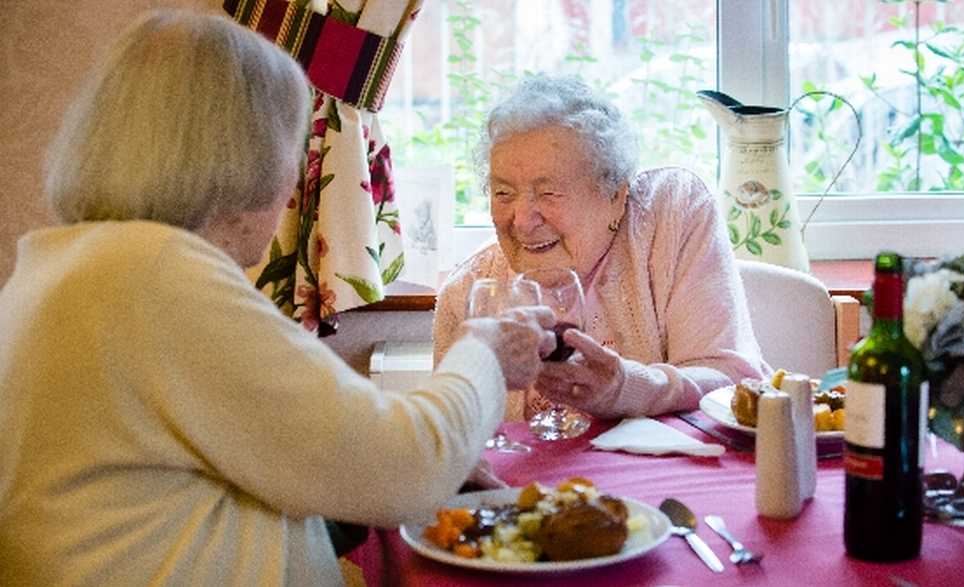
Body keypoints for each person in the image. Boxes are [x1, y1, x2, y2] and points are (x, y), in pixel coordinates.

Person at [0, 11, 554, 586]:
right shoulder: (155, 274)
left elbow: (228, 472)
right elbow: (403, 467)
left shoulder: (71, 265)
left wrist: (405, 475)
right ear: (246, 159)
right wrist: (485, 349)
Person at [433, 74, 772, 423]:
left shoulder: (670, 216)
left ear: (616, 195)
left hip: (663, 475)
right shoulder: (469, 293)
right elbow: (452, 439)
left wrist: (629, 387)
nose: (521, 221)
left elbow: (732, 380)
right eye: (503, 193)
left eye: (548, 193)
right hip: (537, 480)